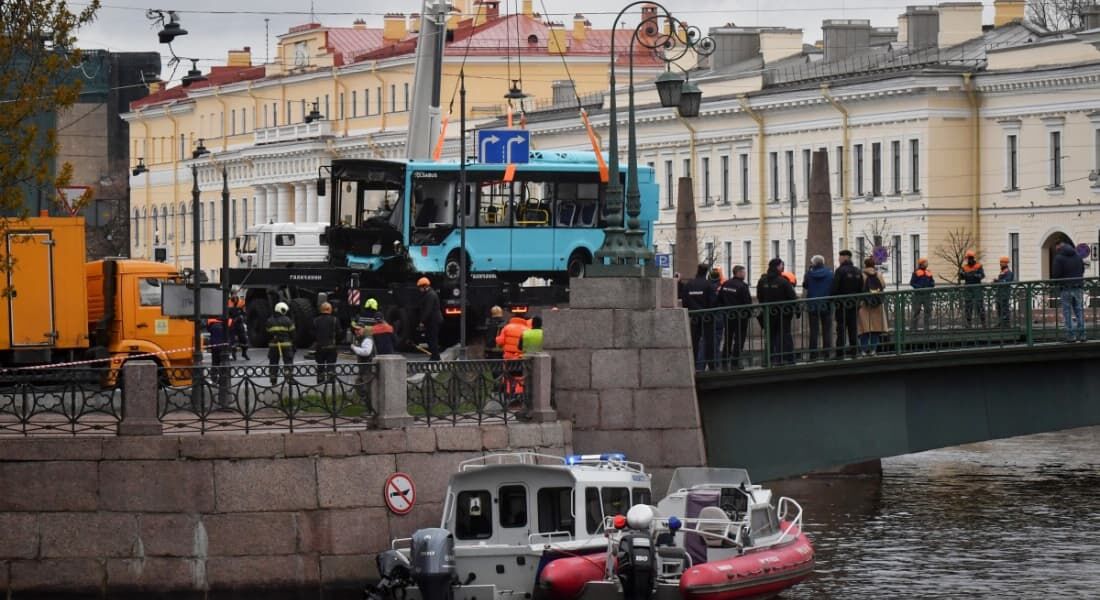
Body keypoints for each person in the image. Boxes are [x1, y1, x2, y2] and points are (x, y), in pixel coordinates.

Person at [757, 258, 798, 365]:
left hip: (768, 313)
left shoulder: (762, 281)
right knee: (784, 335)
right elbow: (792, 298)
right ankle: (787, 358)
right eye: (781, 265)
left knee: (770, 336)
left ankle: (770, 359)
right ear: (778, 267)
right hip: (783, 314)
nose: (782, 267)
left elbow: (760, 297)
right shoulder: (783, 281)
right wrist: (797, 311)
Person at [680, 263, 716, 371]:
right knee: (709, 341)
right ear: (706, 272)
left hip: (694, 317)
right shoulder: (708, 284)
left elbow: (684, 302)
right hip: (707, 317)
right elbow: (713, 302)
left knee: (694, 342)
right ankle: (711, 366)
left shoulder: (689, 284)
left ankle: (693, 365)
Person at [717, 265, 752, 368]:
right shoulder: (742, 286)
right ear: (739, 273)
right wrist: (748, 314)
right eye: (743, 272)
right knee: (739, 339)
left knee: (728, 337)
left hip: (728, 316)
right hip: (740, 317)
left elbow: (720, 299)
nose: (745, 274)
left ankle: (724, 360)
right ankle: (735, 362)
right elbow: (747, 302)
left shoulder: (726, 284)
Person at [831, 250, 863, 359]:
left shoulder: (840, 271)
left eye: (840, 257)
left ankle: (840, 353)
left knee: (841, 329)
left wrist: (833, 300)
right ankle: (855, 351)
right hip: (854, 304)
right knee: (853, 328)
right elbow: (861, 289)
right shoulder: (858, 271)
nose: (838, 259)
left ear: (845, 258)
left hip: (842, 305)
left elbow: (834, 288)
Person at [1052, 241, 1086, 342]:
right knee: (1079, 310)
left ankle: (1071, 336)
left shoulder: (1058, 258)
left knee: (1067, 312)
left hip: (1066, 287)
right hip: (1078, 287)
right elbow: (1082, 270)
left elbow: (1056, 275)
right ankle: (1082, 335)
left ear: (1058, 247)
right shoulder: (1078, 256)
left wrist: (1057, 283)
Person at [802, 255, 834, 361]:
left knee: (813, 330)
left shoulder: (809, 274)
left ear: (813, 264)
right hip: (826, 304)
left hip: (813, 305)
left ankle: (813, 354)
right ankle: (827, 353)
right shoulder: (830, 273)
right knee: (827, 330)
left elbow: (805, 285)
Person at [857, 258, 888, 356]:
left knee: (864, 328)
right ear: (874, 265)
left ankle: (863, 350)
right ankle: (873, 350)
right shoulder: (878, 274)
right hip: (877, 304)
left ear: (865, 265)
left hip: (864, 304)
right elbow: (883, 285)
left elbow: (859, 288)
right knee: (876, 328)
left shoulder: (862, 275)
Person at [265, 301, 295, 385]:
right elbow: (293, 334)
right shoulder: (288, 320)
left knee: (273, 362)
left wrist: (273, 338)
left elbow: (267, 334)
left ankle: (273, 379)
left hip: (273, 346)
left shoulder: (269, 320)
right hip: (286, 345)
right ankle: (289, 378)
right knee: (288, 362)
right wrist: (293, 343)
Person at [416, 277, 442, 360]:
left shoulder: (430, 295)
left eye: (420, 287)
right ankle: (434, 356)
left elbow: (428, 310)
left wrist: (422, 321)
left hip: (433, 321)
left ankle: (435, 357)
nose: (419, 289)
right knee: (430, 338)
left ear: (424, 286)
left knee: (432, 339)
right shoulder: (429, 294)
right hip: (432, 320)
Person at [313, 302, 340, 383]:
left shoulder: (315, 320)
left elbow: (312, 333)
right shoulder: (335, 320)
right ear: (330, 310)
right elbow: (339, 333)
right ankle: (331, 385)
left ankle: (320, 384)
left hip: (320, 348)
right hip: (331, 348)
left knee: (320, 367)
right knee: (331, 367)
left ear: (321, 310)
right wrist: (336, 344)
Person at [349, 321, 376, 402]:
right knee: (358, 384)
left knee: (367, 388)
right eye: (355, 330)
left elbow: (366, 352)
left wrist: (354, 348)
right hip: (364, 368)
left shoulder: (367, 339)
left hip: (368, 367)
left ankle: (371, 408)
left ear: (363, 329)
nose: (356, 331)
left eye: (358, 329)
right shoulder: (361, 338)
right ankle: (367, 404)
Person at [959, 250, 986, 327]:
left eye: (970, 258)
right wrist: (962, 274)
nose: (969, 260)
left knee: (979, 305)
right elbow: (961, 277)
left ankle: (983, 322)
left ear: (972, 258)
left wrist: (973, 275)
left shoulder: (978, 266)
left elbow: (982, 276)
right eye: (968, 259)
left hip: (977, 288)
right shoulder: (964, 267)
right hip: (968, 289)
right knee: (968, 306)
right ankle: (968, 323)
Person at [909, 258, 935, 331]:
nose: (926, 264)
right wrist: (920, 288)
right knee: (916, 311)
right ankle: (913, 328)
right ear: (921, 264)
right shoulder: (916, 272)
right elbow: (912, 283)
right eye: (925, 263)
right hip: (918, 295)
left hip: (927, 295)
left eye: (926, 262)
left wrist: (930, 286)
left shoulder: (928, 272)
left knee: (928, 311)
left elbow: (932, 282)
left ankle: (927, 328)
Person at [994, 256, 1015, 327]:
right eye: (1000, 262)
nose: (1001, 264)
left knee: (1004, 308)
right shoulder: (1002, 272)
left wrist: (998, 281)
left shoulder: (1009, 272)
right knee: (999, 308)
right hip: (999, 293)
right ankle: (1001, 322)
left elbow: (1006, 281)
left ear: (1006, 263)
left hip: (1005, 293)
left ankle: (1006, 323)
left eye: (1002, 262)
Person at [227, 294, 249, 360]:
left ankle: (244, 353)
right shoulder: (228, 302)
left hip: (239, 323)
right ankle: (233, 354)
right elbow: (226, 314)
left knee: (244, 339)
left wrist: (242, 318)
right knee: (232, 340)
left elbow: (244, 313)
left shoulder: (241, 302)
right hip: (232, 323)